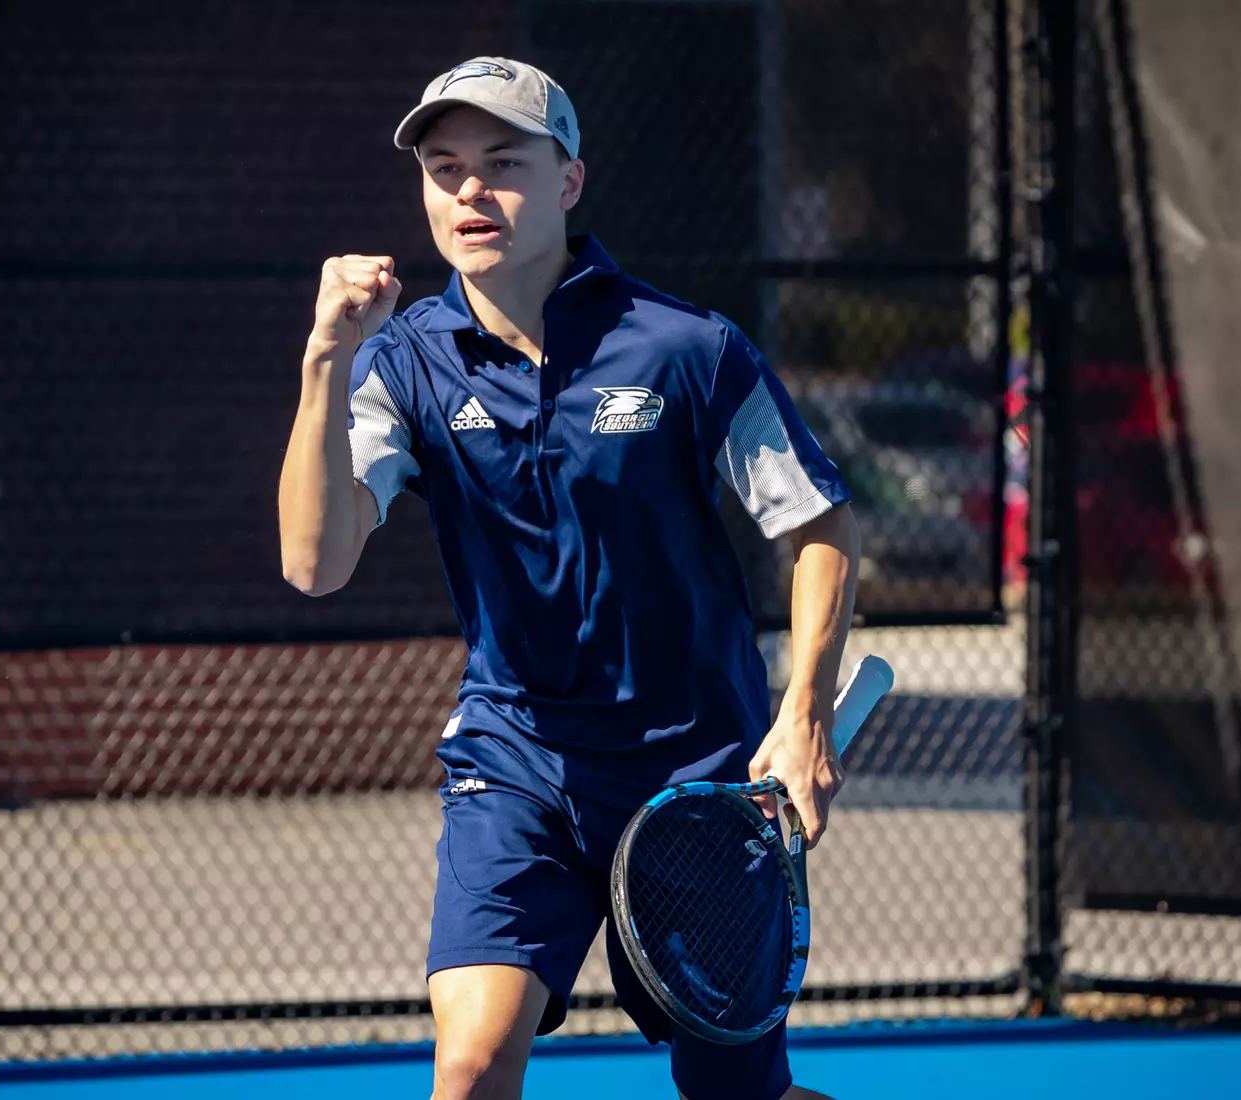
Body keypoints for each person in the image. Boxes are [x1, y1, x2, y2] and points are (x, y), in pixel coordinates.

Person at [278, 56, 860, 1100]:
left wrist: (805, 713)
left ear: (569, 181)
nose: (470, 191)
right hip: (519, 762)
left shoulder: (689, 348)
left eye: (503, 163)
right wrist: (326, 360)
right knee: (470, 1060)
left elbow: (818, 525)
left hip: (701, 774)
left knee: (735, 1093)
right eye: (446, 168)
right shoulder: (400, 364)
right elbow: (315, 564)